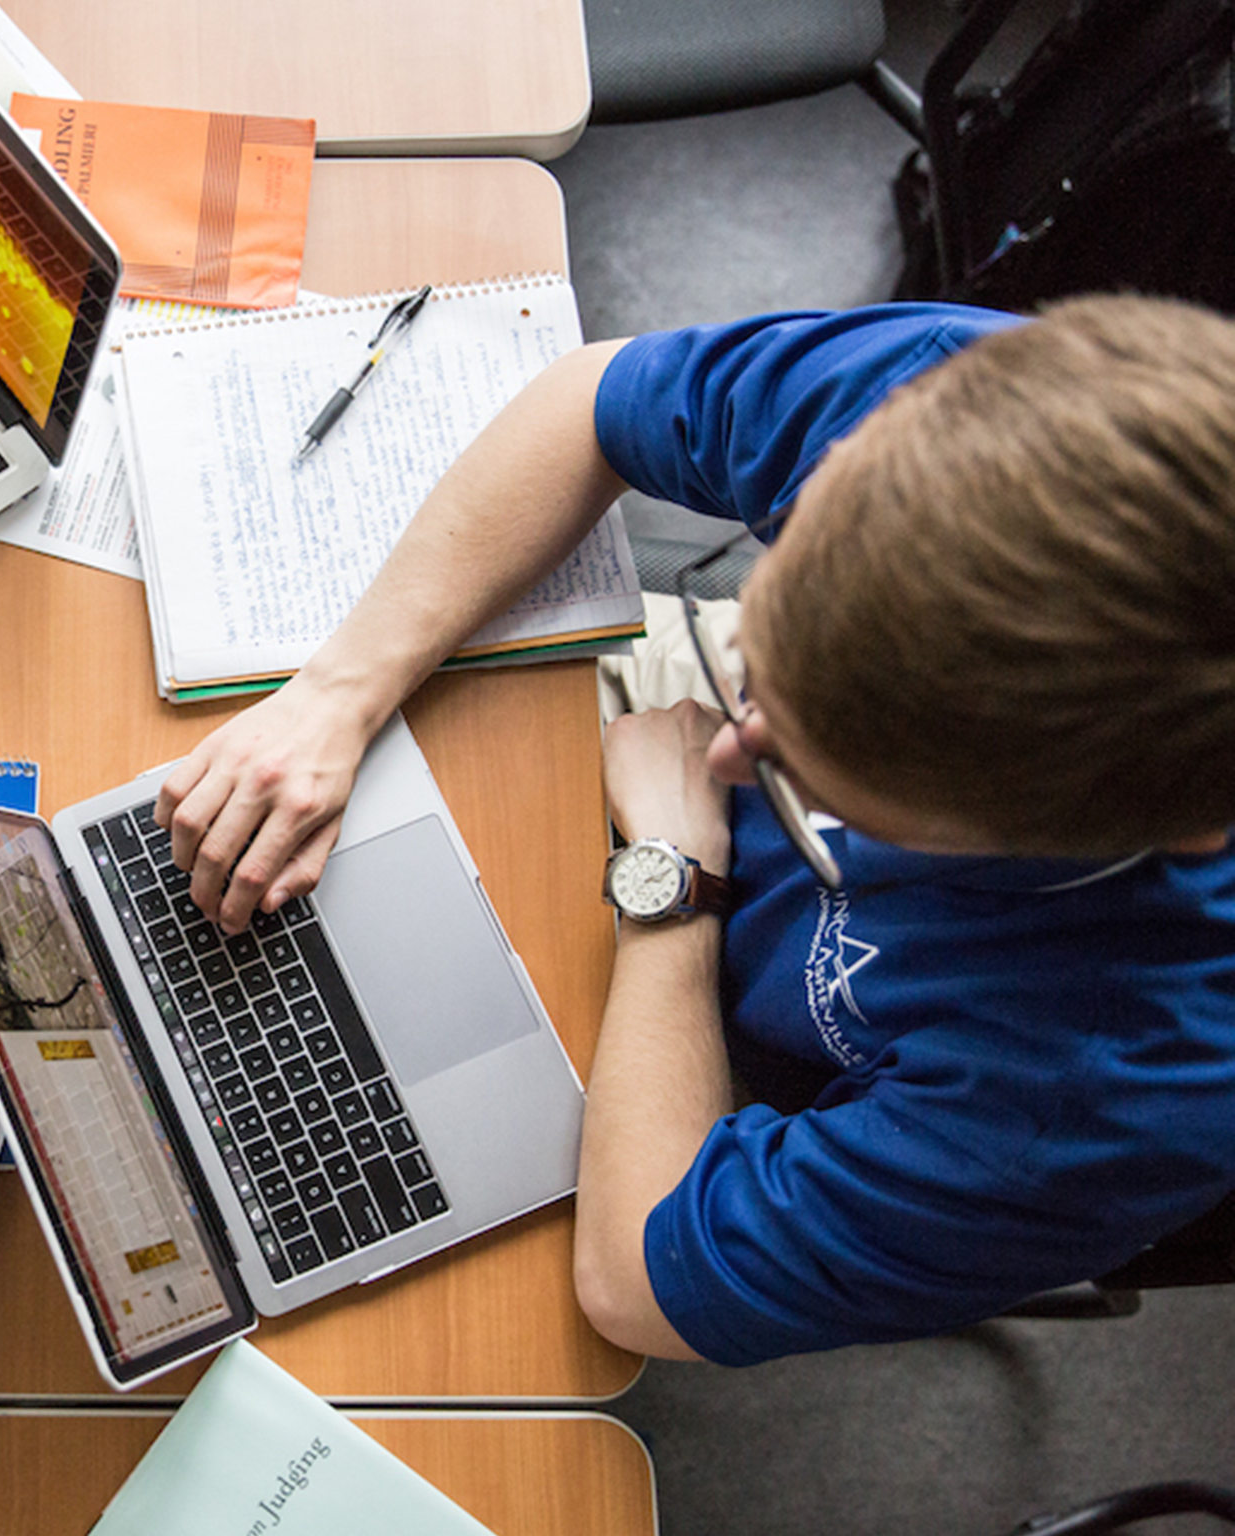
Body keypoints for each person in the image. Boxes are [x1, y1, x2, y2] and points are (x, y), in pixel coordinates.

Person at [154, 294, 1235, 1366]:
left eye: (799, 766)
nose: (736, 743)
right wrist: (333, 699)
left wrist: (675, 882)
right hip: (687, 808)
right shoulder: (1012, 434)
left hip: (708, 996)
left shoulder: (1112, 1089)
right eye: (755, 679)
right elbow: (586, 403)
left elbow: (631, 1283)